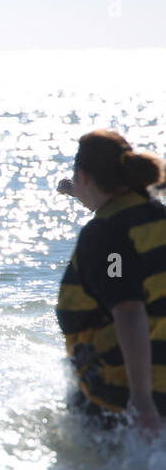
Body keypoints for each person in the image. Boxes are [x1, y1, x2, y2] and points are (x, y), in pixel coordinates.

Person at [56, 130, 166, 436]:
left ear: (84, 176)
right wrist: (79, 192)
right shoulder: (155, 216)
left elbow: (129, 309)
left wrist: (142, 403)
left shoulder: (106, 237)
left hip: (122, 398)